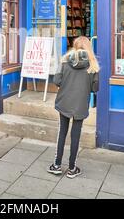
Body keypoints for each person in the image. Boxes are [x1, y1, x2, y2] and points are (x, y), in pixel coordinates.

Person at [48, 36, 99, 178]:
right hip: (81, 104)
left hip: (64, 101)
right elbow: (95, 88)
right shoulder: (93, 65)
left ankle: (57, 165)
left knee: (62, 132)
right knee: (76, 135)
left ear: (75, 46)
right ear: (89, 47)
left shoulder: (64, 61)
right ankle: (72, 168)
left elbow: (57, 80)